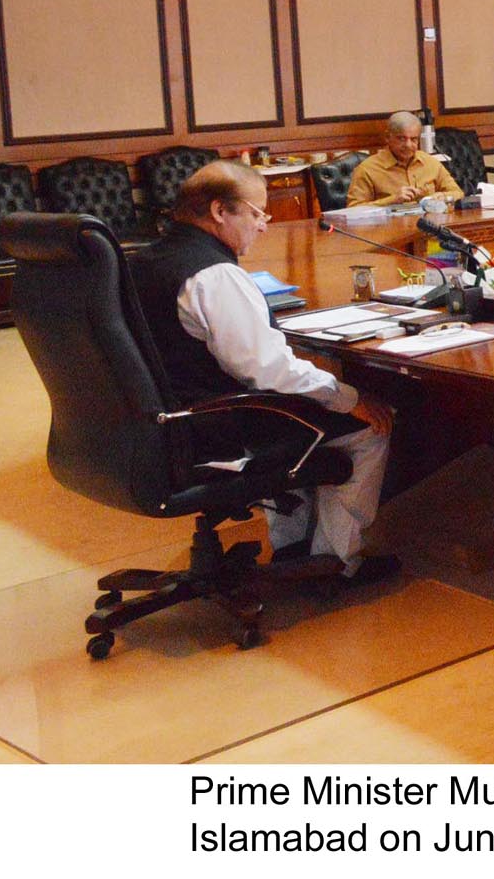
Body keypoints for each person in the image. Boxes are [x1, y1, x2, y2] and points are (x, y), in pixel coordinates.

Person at [128, 162, 396, 581]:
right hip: (216, 425)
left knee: (300, 413)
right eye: (256, 213)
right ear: (220, 211)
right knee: (369, 427)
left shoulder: (142, 262)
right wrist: (352, 398)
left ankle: (292, 547)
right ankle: (337, 563)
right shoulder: (214, 275)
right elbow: (266, 371)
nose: (264, 226)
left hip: (163, 423)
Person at [347, 111, 463, 207]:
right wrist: (392, 200)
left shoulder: (430, 162)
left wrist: (443, 197)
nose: (408, 145)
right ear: (387, 137)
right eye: (401, 139)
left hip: (431, 227)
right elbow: (353, 210)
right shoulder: (367, 169)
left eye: (413, 139)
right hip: (389, 231)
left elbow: (458, 193)